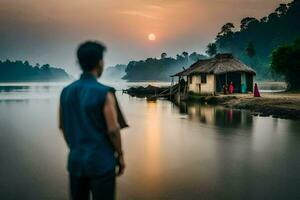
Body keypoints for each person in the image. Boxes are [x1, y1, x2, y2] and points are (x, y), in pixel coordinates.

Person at [59, 41, 128, 200]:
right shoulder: (105, 93)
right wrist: (120, 155)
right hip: (101, 164)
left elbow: (62, 126)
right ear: (100, 63)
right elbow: (113, 129)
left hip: (76, 163)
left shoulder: (66, 92)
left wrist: (76, 149)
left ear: (79, 63)